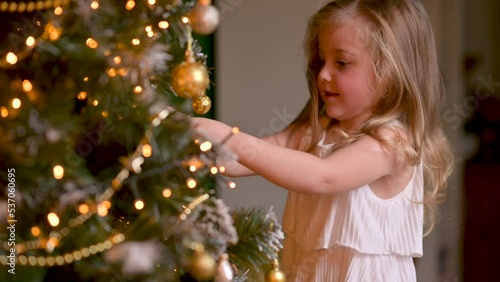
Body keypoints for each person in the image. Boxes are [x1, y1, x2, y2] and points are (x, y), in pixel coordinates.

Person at [192, 0, 454, 280]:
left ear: (390, 72)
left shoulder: (391, 143)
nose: (323, 75)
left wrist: (223, 136)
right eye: (322, 60)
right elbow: (240, 162)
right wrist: (195, 146)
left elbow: (322, 176)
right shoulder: (318, 130)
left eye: (342, 63)